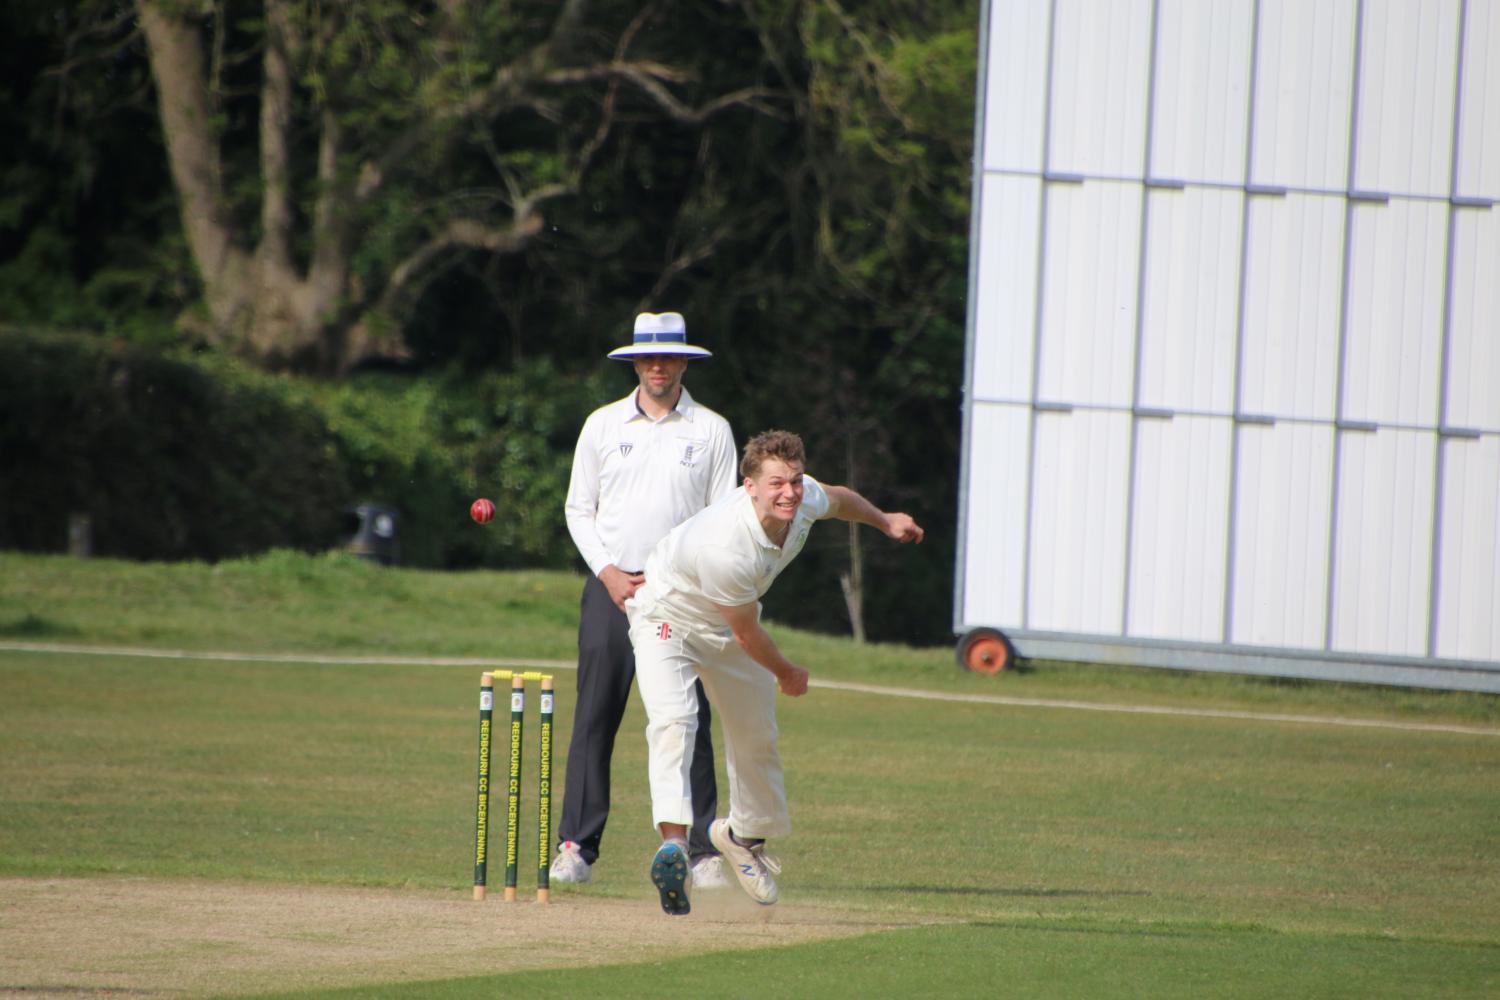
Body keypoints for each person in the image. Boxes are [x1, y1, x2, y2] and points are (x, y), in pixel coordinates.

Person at [626, 429, 924, 915]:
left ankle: (742, 838)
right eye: (776, 484)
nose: (789, 492)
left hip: (726, 623)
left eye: (796, 480)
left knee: (757, 735)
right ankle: (675, 846)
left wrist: (885, 520)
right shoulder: (725, 546)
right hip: (668, 617)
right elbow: (747, 634)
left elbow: (842, 500)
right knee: (675, 722)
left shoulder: (803, 500)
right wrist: (786, 672)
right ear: (750, 486)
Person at [552, 311, 739, 890]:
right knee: (596, 715)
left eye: (668, 357)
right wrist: (607, 573)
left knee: (687, 717)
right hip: (613, 587)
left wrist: (696, 584)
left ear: (685, 361)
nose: (657, 367)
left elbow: (723, 518)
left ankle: (702, 849)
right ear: (635, 362)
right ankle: (577, 846)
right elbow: (578, 509)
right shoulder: (603, 425)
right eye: (648, 358)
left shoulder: (711, 430)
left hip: (681, 594)